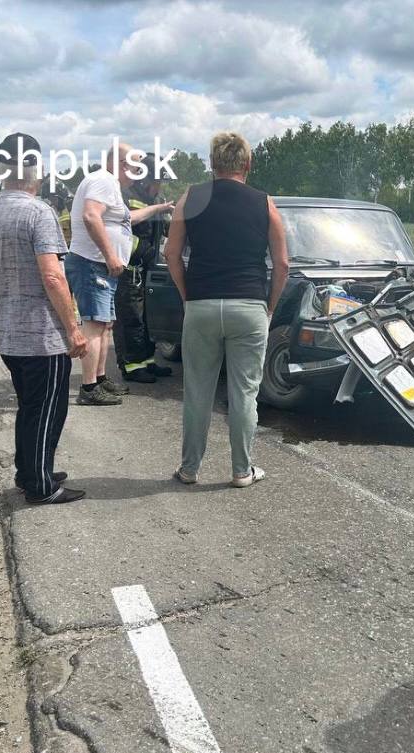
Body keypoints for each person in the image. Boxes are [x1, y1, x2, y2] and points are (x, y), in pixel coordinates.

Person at [165, 132, 289, 488]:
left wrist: (188, 295)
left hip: (202, 303)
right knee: (244, 391)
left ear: (212, 164)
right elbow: (282, 264)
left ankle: (189, 469)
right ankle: (241, 470)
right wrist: (269, 306)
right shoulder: (265, 203)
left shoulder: (192, 197)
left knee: (198, 391)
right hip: (249, 304)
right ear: (247, 164)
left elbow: (172, 255)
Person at [0, 133, 89, 505]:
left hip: (10, 335)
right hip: (42, 336)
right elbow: (53, 275)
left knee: (29, 407)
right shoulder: (39, 213)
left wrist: (0, 314)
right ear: (35, 170)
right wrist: (73, 328)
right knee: (47, 411)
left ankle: (31, 471)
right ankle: (40, 486)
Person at [64, 142, 159, 405]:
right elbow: (91, 216)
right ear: (122, 164)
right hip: (93, 263)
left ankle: (101, 378)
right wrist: (110, 255)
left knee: (105, 326)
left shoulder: (111, 186)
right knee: (94, 326)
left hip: (103, 267)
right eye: (136, 168)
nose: (138, 174)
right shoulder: (103, 180)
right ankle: (89, 387)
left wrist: (160, 208)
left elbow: (129, 217)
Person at [114, 165, 175, 384]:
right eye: (157, 182)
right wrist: (147, 252)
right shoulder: (126, 197)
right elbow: (122, 233)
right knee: (131, 319)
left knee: (145, 319)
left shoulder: (154, 199)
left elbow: (162, 229)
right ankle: (132, 367)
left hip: (145, 268)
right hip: (129, 268)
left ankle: (147, 361)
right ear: (144, 179)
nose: (159, 187)